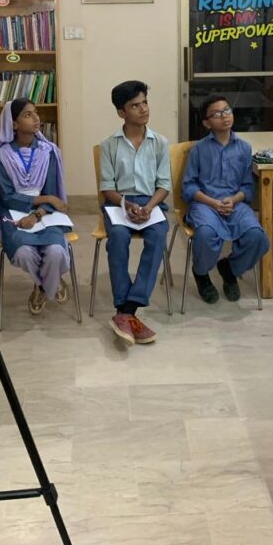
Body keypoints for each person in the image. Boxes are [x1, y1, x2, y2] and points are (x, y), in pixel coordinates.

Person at [98, 80, 170, 346]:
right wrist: (128, 205)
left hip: (152, 202)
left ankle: (127, 309)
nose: (143, 109)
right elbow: (107, 187)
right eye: (135, 105)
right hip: (120, 203)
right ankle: (126, 309)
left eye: (145, 103)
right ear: (121, 113)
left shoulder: (160, 142)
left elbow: (164, 184)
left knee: (158, 235)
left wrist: (149, 207)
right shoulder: (109, 145)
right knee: (117, 237)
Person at [0, 99, 71, 315]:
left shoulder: (48, 151)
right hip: (11, 214)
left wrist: (38, 213)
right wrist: (47, 200)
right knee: (24, 253)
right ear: (13, 124)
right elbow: (7, 197)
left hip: (46, 214)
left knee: (55, 252)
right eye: (28, 115)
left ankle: (41, 286)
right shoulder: (2, 155)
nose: (36, 119)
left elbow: (52, 192)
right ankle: (50, 282)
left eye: (36, 113)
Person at [181, 95, 269, 303]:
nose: (225, 116)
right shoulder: (198, 149)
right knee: (205, 234)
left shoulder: (244, 148)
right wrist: (213, 203)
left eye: (227, 110)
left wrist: (233, 199)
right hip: (205, 204)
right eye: (217, 114)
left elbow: (247, 186)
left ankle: (229, 269)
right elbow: (189, 186)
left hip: (235, 204)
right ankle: (201, 274)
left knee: (258, 237)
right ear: (206, 122)